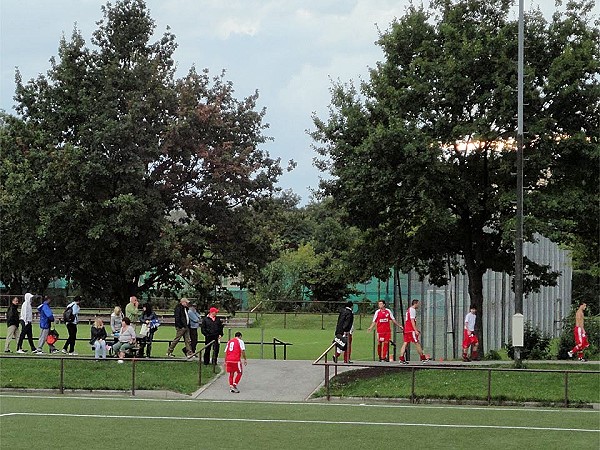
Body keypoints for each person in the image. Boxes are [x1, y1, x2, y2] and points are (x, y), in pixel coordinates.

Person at [399, 299, 431, 364]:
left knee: (405, 343)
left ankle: (401, 359)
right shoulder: (412, 310)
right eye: (418, 304)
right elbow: (412, 321)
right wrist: (415, 330)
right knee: (417, 343)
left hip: (407, 329)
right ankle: (423, 358)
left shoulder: (408, 310)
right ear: (415, 303)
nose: (419, 305)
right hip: (411, 330)